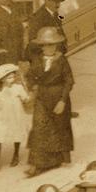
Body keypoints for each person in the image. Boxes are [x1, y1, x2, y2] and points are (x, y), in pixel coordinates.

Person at [25, 26, 74, 176]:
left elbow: (69, 81)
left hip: (59, 97)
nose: (49, 48)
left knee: (59, 127)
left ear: (56, 45)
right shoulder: (37, 60)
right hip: (42, 97)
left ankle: (61, 158)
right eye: (46, 45)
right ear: (41, 46)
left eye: (52, 45)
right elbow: (29, 76)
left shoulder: (62, 60)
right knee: (39, 128)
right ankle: (36, 163)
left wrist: (62, 101)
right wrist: (32, 87)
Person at [0, 62, 31, 173]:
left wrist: (28, 96)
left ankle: (16, 154)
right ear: (2, 79)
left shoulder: (18, 88)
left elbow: (26, 100)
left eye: (13, 76)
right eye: (9, 77)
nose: (13, 78)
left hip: (15, 114)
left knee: (16, 133)